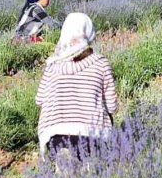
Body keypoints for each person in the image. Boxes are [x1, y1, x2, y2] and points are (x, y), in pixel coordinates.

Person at [35, 13, 118, 158]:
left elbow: (39, 100)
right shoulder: (100, 63)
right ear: (89, 34)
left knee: (58, 138)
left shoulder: (52, 65)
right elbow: (112, 106)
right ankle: (87, 158)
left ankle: (64, 152)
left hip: (55, 133)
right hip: (92, 133)